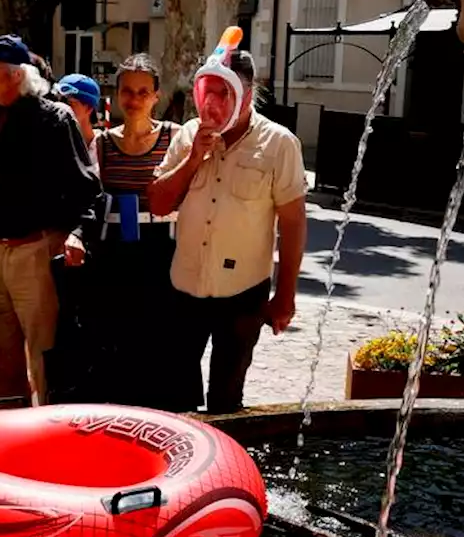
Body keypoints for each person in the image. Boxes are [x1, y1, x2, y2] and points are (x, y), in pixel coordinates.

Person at [147, 49, 308, 414]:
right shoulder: (188, 135)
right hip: (185, 286)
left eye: (225, 94)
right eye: (209, 92)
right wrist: (193, 160)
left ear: (248, 94)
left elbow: (294, 222)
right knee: (176, 393)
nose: (214, 104)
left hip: (242, 293)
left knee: (227, 399)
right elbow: (157, 203)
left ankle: (226, 469)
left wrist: (285, 296)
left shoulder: (279, 143)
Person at [0, 35, 103, 407]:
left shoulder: (53, 119)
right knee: (0, 354)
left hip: (37, 251)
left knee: (46, 356)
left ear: (17, 75)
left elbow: (88, 188)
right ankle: (6, 433)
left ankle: (48, 435)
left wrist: (77, 233)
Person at [78, 54, 189, 409]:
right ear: (116, 94)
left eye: (143, 91)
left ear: (156, 95)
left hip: (162, 254)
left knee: (161, 343)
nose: (135, 99)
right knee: (117, 342)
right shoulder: (103, 145)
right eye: (128, 91)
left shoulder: (175, 138)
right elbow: (90, 200)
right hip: (117, 257)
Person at [54, 73, 101, 158]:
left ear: (88, 108)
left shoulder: (104, 150)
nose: (61, 109)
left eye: (69, 103)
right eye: (57, 102)